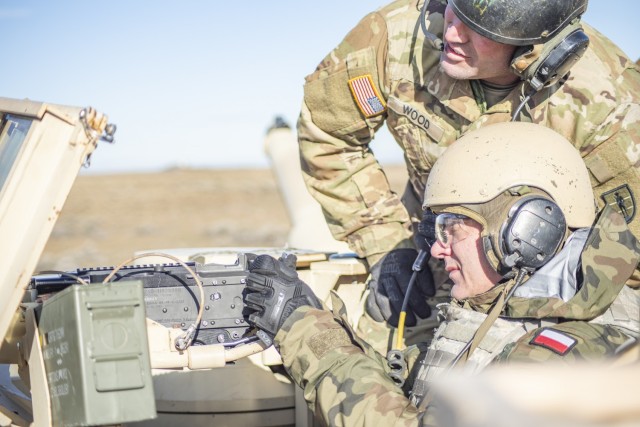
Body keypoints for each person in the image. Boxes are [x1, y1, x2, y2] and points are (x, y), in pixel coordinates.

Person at [244, 122, 640, 425]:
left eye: (451, 227)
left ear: (525, 230)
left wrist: (308, 335)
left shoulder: (563, 353)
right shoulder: (517, 306)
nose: (436, 248)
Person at [296, 0, 640, 337]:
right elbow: (327, 135)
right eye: (454, 8)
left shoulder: (608, 105)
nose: (454, 33)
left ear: (535, 50)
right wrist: (384, 242)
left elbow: (626, 250)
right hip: (433, 255)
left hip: (542, 287)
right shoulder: (396, 39)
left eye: (479, 29)